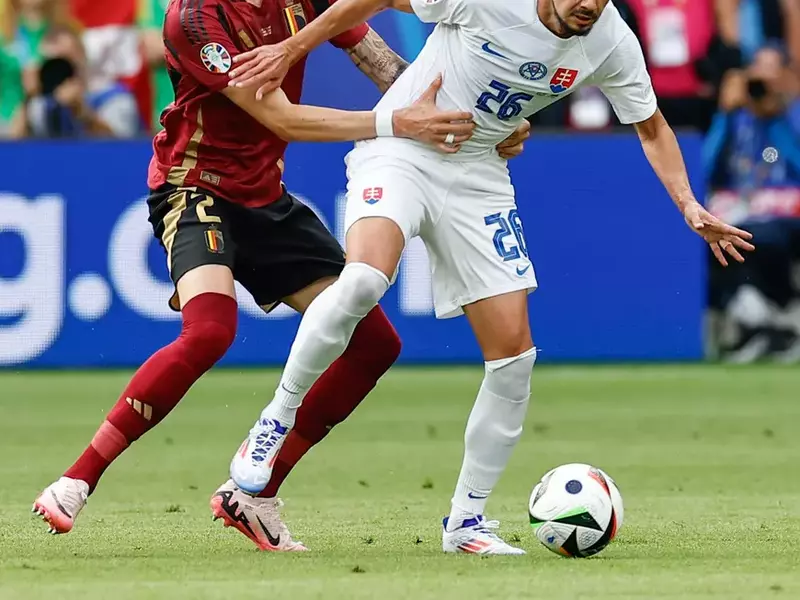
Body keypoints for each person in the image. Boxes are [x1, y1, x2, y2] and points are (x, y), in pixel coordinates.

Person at [224, 0, 756, 556]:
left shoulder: (611, 41)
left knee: (514, 360)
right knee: (362, 281)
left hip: (478, 173)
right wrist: (292, 48)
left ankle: (466, 523)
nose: (588, 6)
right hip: (402, 153)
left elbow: (652, 127)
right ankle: (274, 421)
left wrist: (688, 203)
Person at [31, 0, 529, 552]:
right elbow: (281, 118)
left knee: (374, 344)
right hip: (194, 189)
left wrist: (474, 123)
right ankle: (78, 479)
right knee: (210, 331)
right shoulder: (193, 20)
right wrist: (400, 123)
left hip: (266, 199)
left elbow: (385, 65)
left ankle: (255, 494)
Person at [706, 46, 800, 361]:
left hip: (785, 215)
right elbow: (704, 168)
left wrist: (777, 118)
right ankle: (760, 325)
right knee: (717, 242)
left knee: (758, 239)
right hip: (740, 211)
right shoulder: (737, 118)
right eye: (757, 68)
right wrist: (724, 114)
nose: (763, 78)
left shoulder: (792, 115)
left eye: (771, 68)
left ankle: (772, 323)